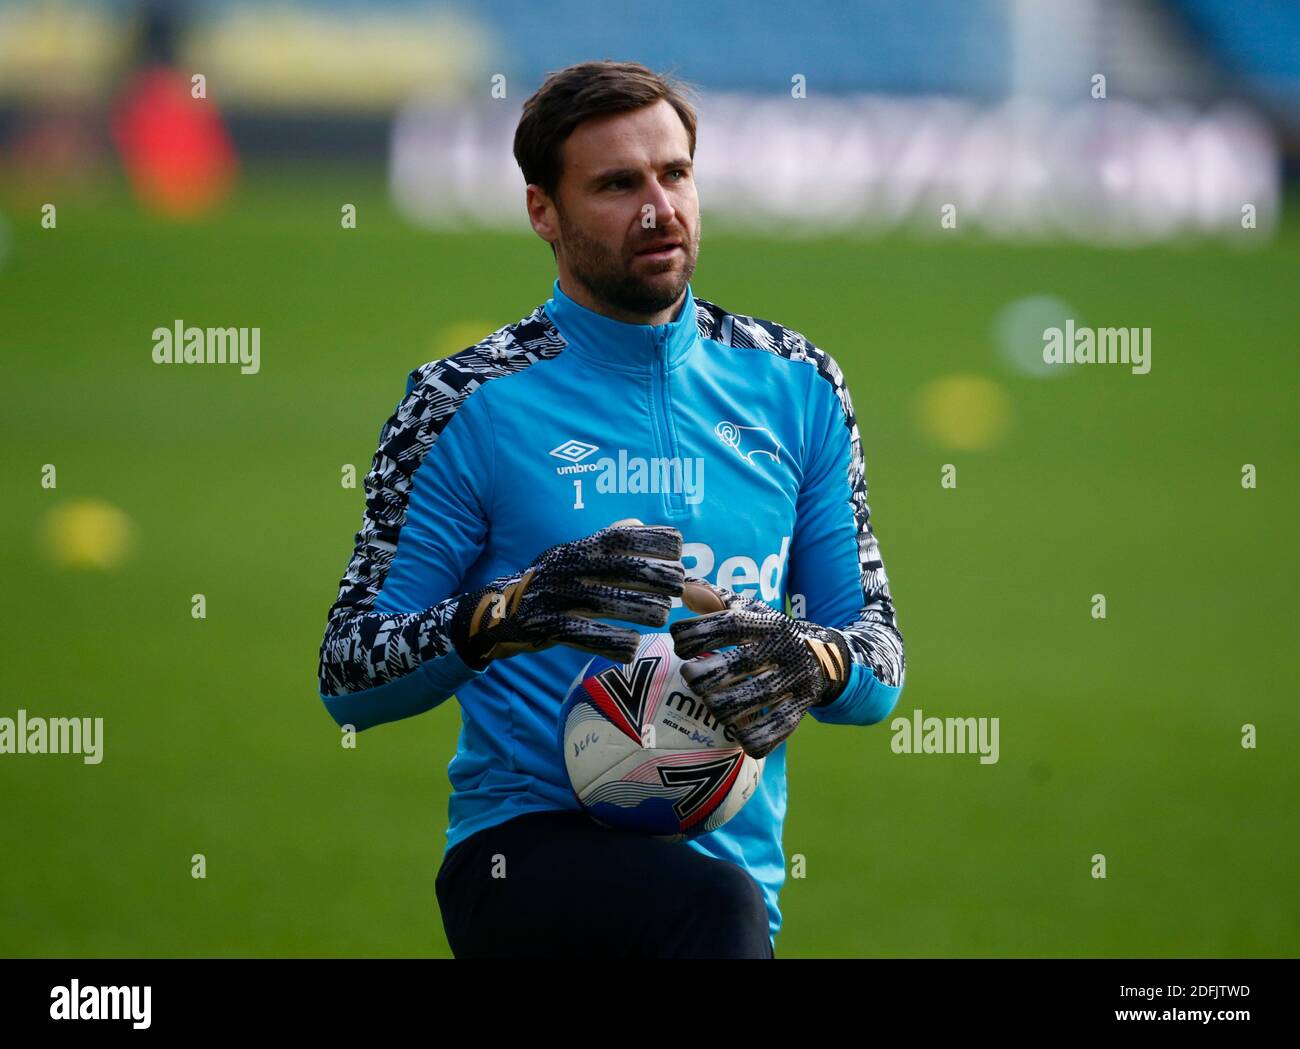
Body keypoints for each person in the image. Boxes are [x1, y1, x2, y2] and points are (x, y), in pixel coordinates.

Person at [317, 60, 906, 958]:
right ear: (541, 211)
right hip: (524, 865)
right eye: (617, 184)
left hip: (730, 879)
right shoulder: (463, 402)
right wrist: (498, 617)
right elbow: (348, 675)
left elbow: (878, 665)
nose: (659, 208)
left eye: (675, 174)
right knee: (710, 908)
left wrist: (811, 658)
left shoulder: (800, 387)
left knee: (716, 903)